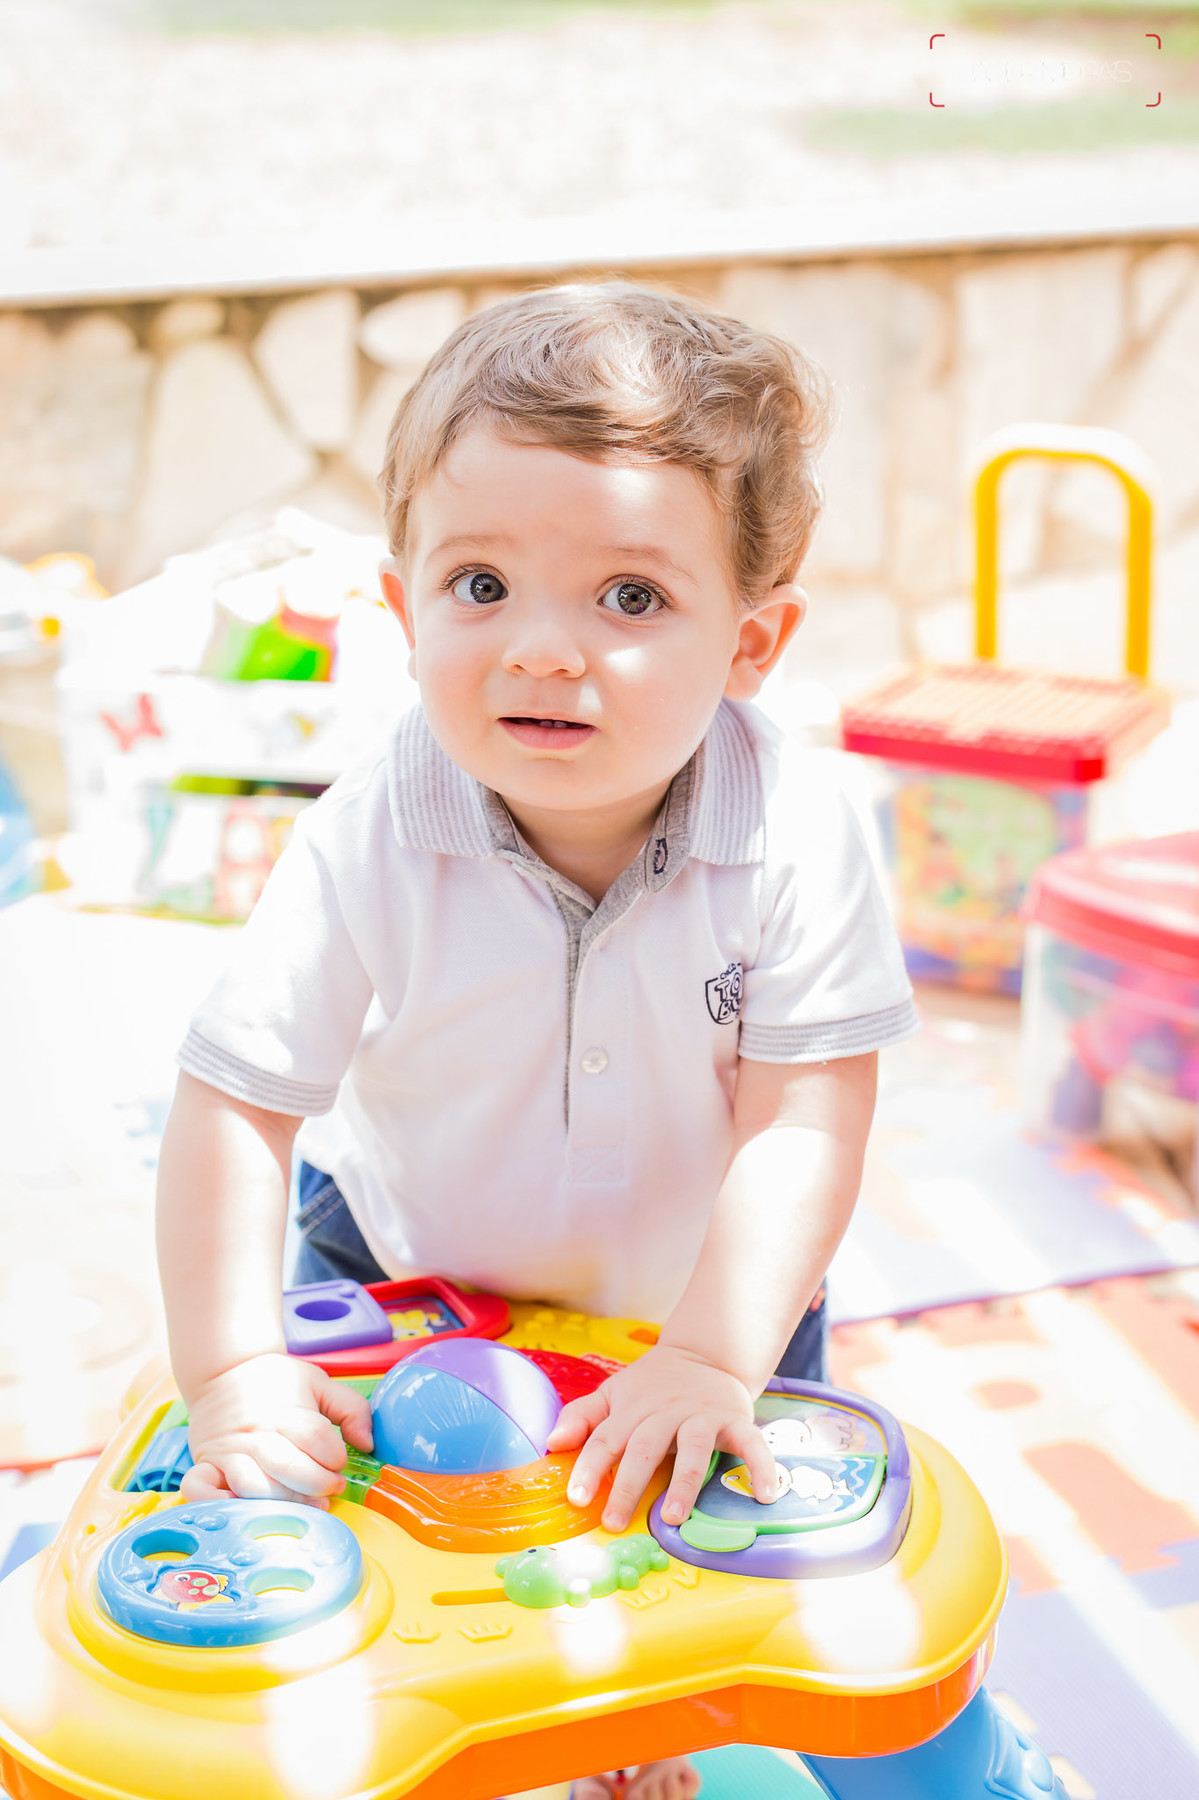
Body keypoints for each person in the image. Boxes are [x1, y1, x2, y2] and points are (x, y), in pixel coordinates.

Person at [156, 282, 918, 1800]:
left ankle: (637, 1737)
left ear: (752, 641)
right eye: (482, 586)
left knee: (696, 1587)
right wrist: (233, 1366)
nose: (542, 652)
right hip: (409, 1280)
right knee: (396, 1605)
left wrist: (710, 1355)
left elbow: (805, 1127)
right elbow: (236, 1101)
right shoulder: (373, 829)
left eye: (630, 599)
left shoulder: (802, 836)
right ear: (402, 606)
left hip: (695, 1309)